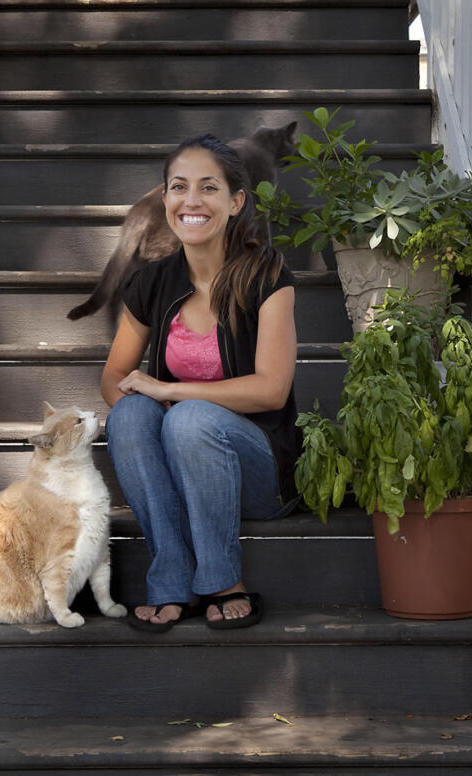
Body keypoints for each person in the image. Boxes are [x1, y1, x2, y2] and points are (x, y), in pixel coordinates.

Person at [101, 133, 301, 632]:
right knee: (128, 412)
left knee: (188, 419)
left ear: (235, 202)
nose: (191, 201)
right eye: (178, 187)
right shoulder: (152, 281)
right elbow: (114, 376)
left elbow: (271, 390)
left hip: (259, 470)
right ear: (165, 198)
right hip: (178, 461)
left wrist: (172, 393)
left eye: (208, 188)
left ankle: (222, 581)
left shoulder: (267, 275)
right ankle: (170, 579)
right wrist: (151, 423)